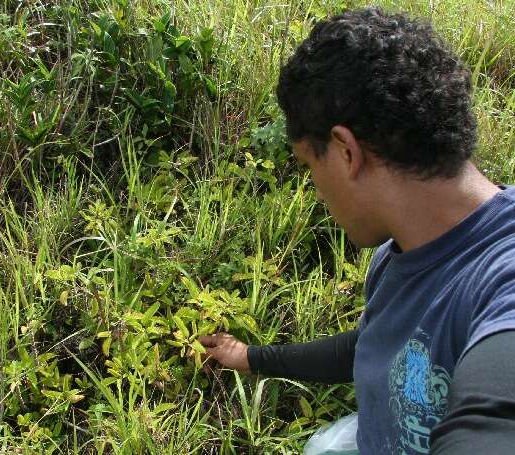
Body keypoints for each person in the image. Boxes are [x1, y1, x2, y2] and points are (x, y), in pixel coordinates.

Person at [199, 7, 515, 454]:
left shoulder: (503, 278)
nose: (316, 191)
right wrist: (252, 358)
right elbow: (376, 346)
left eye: (310, 166)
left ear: (346, 152)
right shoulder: (400, 250)